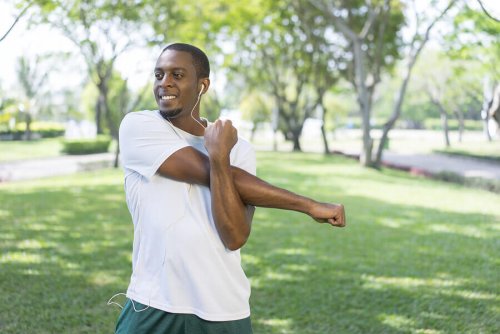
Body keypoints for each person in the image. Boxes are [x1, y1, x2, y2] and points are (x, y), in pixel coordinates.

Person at [114, 43, 346, 334]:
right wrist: (308, 205)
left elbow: (234, 236)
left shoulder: (239, 150)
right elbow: (200, 170)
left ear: (203, 85)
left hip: (223, 309)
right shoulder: (139, 126)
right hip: (153, 303)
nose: (165, 83)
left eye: (177, 74)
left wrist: (221, 155)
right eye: (159, 75)